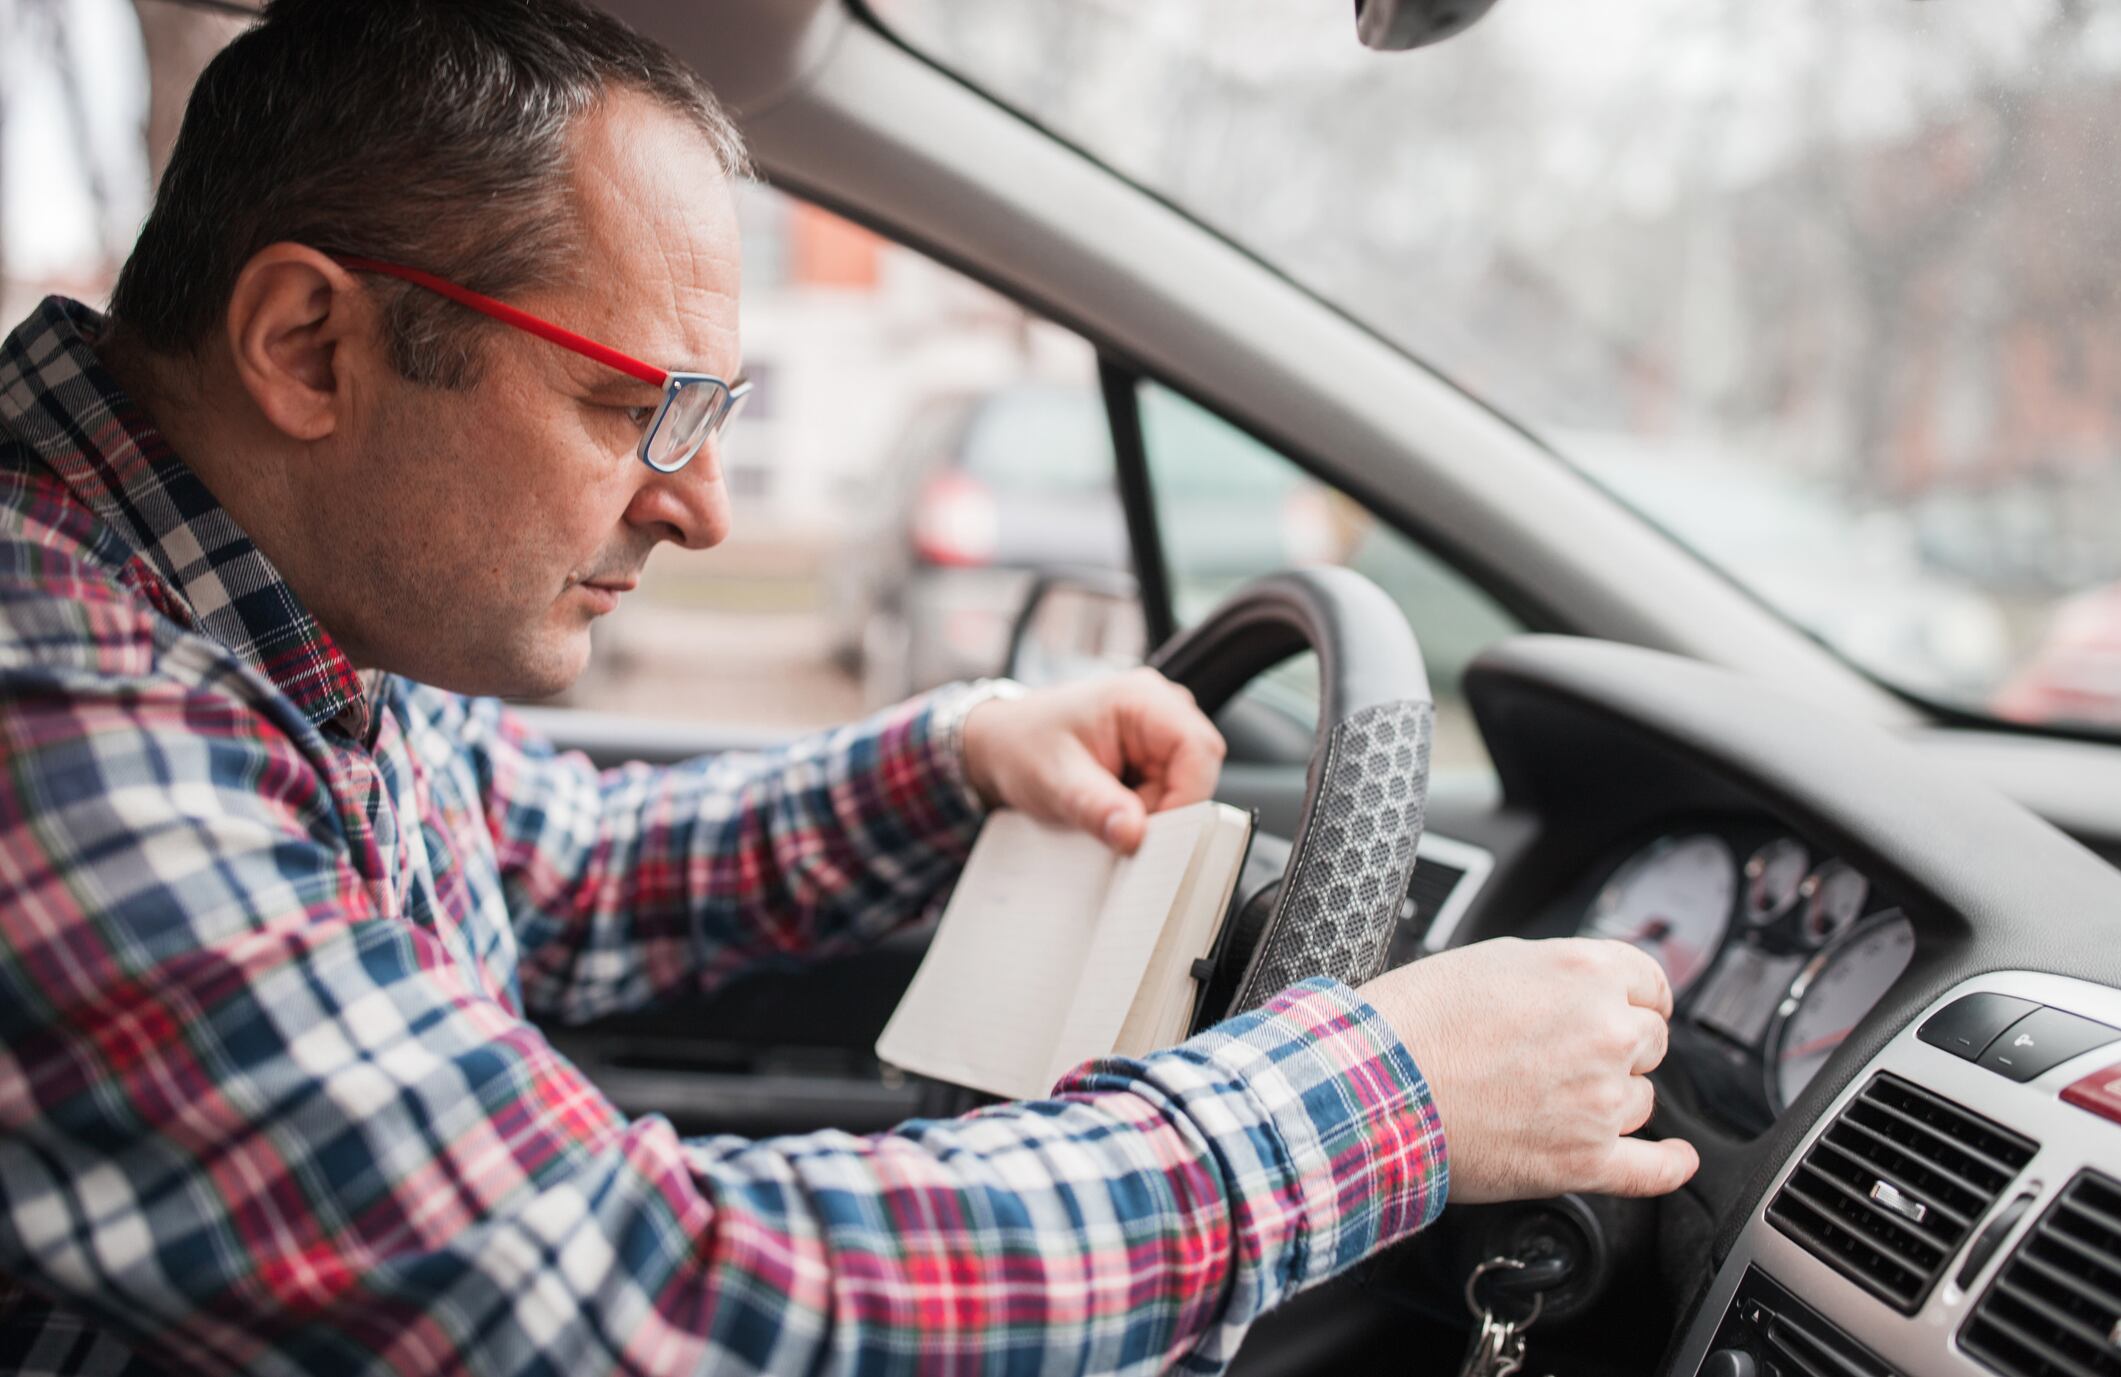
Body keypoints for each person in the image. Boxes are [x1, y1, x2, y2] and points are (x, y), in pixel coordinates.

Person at [0, 1, 1698, 1372]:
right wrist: (1372, 1097)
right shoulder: (51, 711)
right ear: (310, 347)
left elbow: (540, 859)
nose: (699, 503)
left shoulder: (261, 628)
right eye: (632, 409)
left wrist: (955, 759)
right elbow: (642, 1296)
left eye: (713, 418)